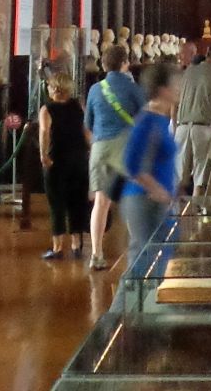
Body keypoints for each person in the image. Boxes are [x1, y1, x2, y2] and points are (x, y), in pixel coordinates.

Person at [119, 63, 182, 268]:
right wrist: (157, 189)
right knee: (143, 262)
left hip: (158, 200)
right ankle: (125, 301)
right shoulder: (147, 120)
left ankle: (153, 299)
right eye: (176, 84)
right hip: (144, 200)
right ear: (163, 89)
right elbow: (130, 163)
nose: (179, 88)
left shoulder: (160, 118)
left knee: (159, 259)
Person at [83, 44, 141, 270]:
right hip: (127, 146)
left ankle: (96, 254)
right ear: (125, 63)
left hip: (101, 147)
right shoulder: (133, 89)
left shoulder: (95, 89)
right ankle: (136, 252)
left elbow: (88, 123)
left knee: (101, 202)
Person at [38, 72, 91, 260]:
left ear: (53, 88)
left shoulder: (47, 109)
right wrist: (90, 151)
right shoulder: (78, 106)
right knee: (77, 201)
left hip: (57, 159)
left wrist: (43, 154)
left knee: (57, 203)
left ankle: (58, 247)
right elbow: (86, 131)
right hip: (78, 158)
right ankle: (77, 245)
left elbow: (45, 133)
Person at [174, 43, 211, 194]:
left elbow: (175, 100)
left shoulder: (188, 72)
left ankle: (173, 215)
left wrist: (175, 126)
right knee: (201, 179)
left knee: (180, 179)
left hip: (182, 128)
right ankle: (195, 213)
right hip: (204, 131)